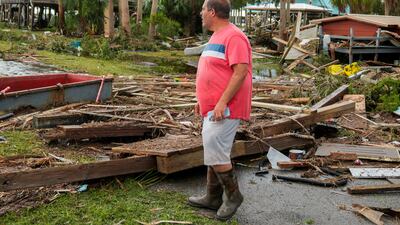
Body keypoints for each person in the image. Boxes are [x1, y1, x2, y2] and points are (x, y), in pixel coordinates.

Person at [188, 0, 252, 221]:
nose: (201, 13)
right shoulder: (217, 36)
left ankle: (233, 196)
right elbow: (213, 71)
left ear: (212, 12)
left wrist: (222, 102)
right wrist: (202, 100)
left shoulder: (234, 36)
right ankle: (212, 196)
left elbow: (240, 72)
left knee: (216, 149)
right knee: (213, 148)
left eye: (204, 9)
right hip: (213, 107)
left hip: (227, 108)